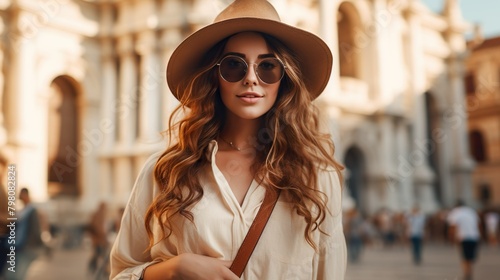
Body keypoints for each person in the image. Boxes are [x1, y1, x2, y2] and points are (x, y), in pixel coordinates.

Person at [110, 0, 346, 279]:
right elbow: (122, 273)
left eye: (267, 66)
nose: (250, 79)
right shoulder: (164, 170)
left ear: (284, 79)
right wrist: (174, 269)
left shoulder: (316, 175)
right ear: (214, 76)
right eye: (234, 65)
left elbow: (329, 271)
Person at [5, 188, 44, 280]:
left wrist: (39, 243)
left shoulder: (31, 211)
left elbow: (35, 229)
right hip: (18, 245)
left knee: (19, 274)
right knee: (11, 274)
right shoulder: (22, 211)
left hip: (27, 246)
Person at [447, 200, 480, 280]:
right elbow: (478, 224)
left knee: (464, 257)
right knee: (470, 257)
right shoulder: (471, 211)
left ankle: (467, 274)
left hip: (463, 237)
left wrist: (451, 238)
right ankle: (469, 272)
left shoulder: (456, 212)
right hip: (474, 236)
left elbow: (453, 226)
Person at [88, 202, 110, 274]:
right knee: (99, 254)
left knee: (99, 254)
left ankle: (96, 268)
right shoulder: (97, 215)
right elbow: (97, 228)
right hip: (98, 239)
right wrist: (104, 236)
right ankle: (96, 268)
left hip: (100, 239)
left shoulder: (101, 215)